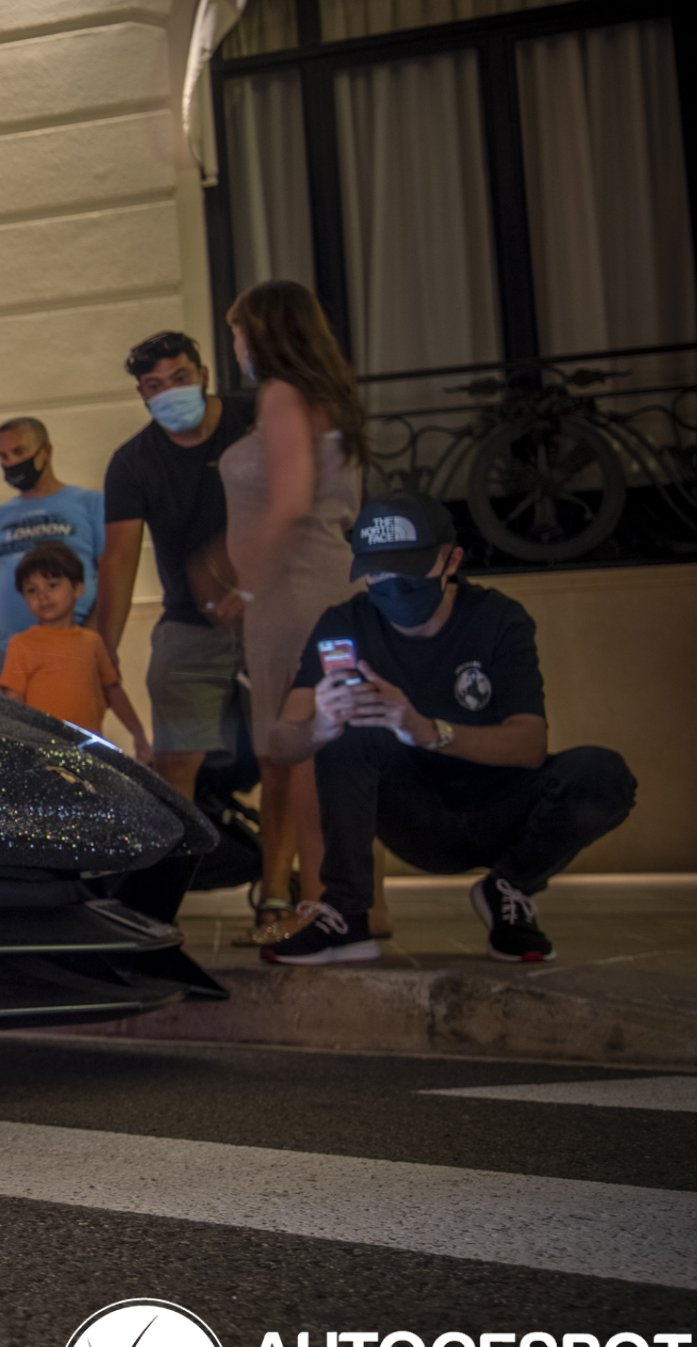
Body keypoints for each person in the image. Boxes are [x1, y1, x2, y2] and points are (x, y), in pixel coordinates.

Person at [259, 492, 636, 966]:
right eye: (378, 573)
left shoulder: (498, 618)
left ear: (451, 559)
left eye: (410, 569)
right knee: (348, 727)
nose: (393, 586)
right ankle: (347, 914)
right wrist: (321, 725)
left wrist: (424, 728)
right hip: (412, 814)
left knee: (604, 774)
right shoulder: (346, 622)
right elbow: (281, 742)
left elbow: (530, 745)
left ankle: (509, 889)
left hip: (498, 806)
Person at [216, 281, 364, 944]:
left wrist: (243, 585)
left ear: (267, 333)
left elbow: (289, 503)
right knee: (337, 746)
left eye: (240, 333)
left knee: (299, 749)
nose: (237, 347)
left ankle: (318, 904)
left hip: (290, 595)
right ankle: (362, 900)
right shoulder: (328, 399)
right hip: (328, 585)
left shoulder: (282, 395)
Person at [92, 331, 255, 801]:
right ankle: (184, 874)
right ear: (142, 394)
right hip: (188, 620)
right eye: (154, 384)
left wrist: (252, 586)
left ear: (203, 375)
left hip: (272, 611)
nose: (168, 392)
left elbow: (292, 509)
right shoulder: (132, 462)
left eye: (179, 378)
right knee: (175, 759)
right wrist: (106, 649)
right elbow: (119, 559)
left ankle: (280, 873)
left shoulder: (253, 420)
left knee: (286, 755)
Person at [0, 417, 107, 683]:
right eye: (3, 456)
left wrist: (91, 643)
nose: (11, 463)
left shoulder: (91, 505)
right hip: (12, 662)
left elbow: (111, 581)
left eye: (19, 452)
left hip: (75, 655)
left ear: (46, 451)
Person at [0, 543, 151, 759]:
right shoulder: (21, 644)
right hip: (43, 754)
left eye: (52, 585)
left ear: (78, 588)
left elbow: (113, 691)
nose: (43, 595)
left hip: (90, 751)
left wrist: (139, 734)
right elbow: (14, 703)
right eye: (32, 590)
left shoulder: (92, 642)